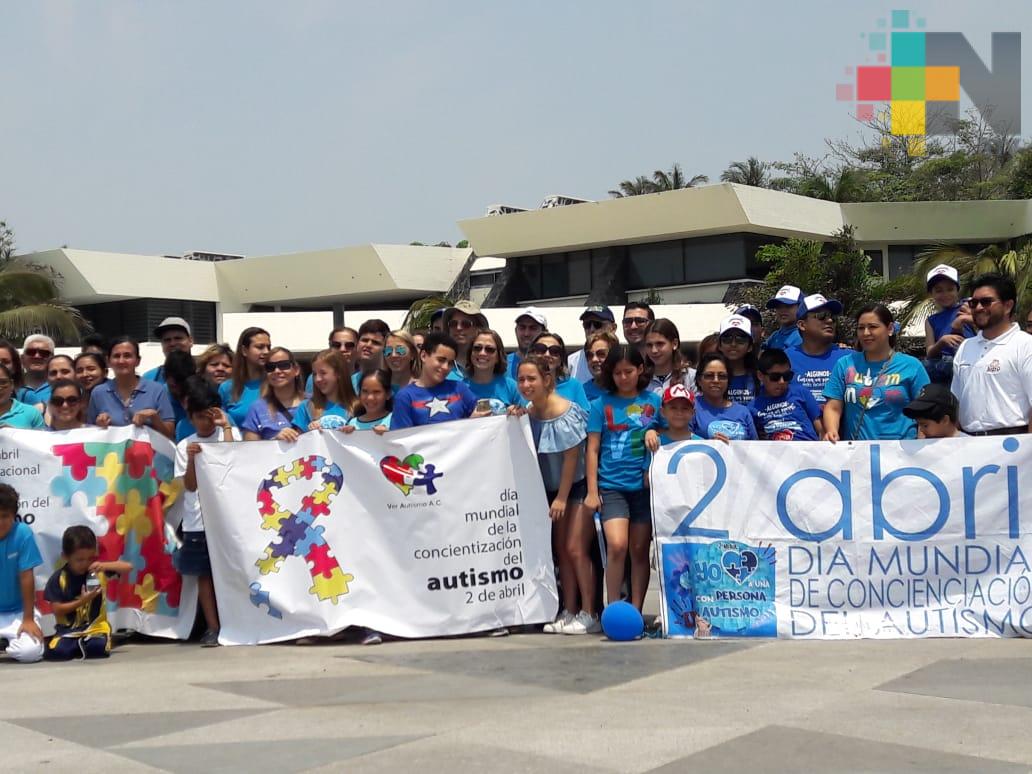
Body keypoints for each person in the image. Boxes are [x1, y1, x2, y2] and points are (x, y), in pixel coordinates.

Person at [517, 357, 596, 635]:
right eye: (522, 379)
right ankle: (569, 610)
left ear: (547, 380)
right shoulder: (528, 412)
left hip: (574, 487)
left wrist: (561, 498)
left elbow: (572, 459)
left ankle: (590, 611)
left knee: (575, 548)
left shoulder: (564, 411)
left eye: (532, 379)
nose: (526, 385)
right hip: (548, 489)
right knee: (560, 551)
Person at [584, 344, 661, 613]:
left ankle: (636, 611)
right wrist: (592, 491)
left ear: (640, 369)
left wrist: (656, 434)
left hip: (643, 488)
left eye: (628, 371)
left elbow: (672, 433)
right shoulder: (599, 405)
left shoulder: (654, 401)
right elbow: (592, 449)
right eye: (617, 373)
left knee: (639, 551)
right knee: (617, 546)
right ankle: (614, 607)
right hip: (611, 487)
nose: (623, 377)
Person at [176, 377, 240, 646]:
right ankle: (213, 626)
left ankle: (237, 623)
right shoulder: (184, 446)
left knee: (234, 571)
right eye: (199, 417)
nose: (205, 422)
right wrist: (192, 459)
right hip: (198, 520)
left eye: (209, 415)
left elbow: (234, 465)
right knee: (204, 575)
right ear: (190, 417)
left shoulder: (231, 435)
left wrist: (225, 427)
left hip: (229, 518)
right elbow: (189, 486)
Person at [823, 304, 930, 441]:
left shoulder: (912, 366)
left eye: (873, 327)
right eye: (861, 328)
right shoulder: (845, 364)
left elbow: (925, 412)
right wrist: (832, 431)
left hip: (902, 455)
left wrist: (921, 445)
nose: (866, 333)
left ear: (890, 329)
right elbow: (833, 407)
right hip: (857, 454)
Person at [951, 274, 1032, 435]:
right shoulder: (965, 346)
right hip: (969, 445)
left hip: (1014, 444)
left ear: (1008, 306)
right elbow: (956, 403)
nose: (979, 307)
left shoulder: (1026, 345)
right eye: (973, 303)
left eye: (986, 302)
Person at [43, 525, 131, 660]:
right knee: (57, 653)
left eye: (90, 558)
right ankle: (76, 644)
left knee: (97, 649)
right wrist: (82, 601)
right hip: (68, 632)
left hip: (95, 628)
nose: (85, 563)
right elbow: (58, 610)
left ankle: (83, 645)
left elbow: (128, 567)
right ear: (65, 557)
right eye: (79, 560)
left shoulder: (97, 571)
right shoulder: (58, 578)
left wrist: (105, 566)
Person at [391, 333, 484, 429]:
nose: (445, 367)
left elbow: (485, 411)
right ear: (423, 356)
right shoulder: (405, 397)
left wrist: (473, 422)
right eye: (441, 360)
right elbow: (401, 439)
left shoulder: (459, 388)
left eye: (450, 363)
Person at [87, 337, 176, 438]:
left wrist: (154, 417)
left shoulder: (157, 390)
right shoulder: (99, 393)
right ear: (108, 361)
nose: (121, 361)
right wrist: (99, 426)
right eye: (116, 356)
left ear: (138, 361)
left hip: (150, 453)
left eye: (127, 356)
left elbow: (170, 435)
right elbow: (90, 434)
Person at [0, 484, 44, 663]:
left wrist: (28, 619)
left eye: (5, 516)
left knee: (30, 653)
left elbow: (27, 577)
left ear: (14, 516)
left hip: (19, 612)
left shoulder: (23, 533)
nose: (1, 522)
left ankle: (7, 643)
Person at [787, 294, 850, 407]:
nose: (830, 320)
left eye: (832, 317)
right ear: (802, 325)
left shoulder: (850, 358)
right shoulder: (785, 358)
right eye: (821, 316)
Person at [749, 349, 822, 441]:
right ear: (760, 376)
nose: (782, 382)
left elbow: (821, 429)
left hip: (807, 450)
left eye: (787, 376)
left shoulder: (802, 392)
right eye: (775, 377)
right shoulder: (753, 407)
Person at [923, 264, 975, 384]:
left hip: (970, 361)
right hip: (945, 368)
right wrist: (942, 342)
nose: (945, 294)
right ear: (931, 294)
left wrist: (969, 317)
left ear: (958, 290)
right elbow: (929, 352)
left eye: (950, 289)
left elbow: (987, 327)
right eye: (939, 290)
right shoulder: (931, 320)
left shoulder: (968, 306)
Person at [242, 347, 305, 441]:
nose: (277, 371)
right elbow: (250, 450)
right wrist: (275, 440)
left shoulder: (313, 403)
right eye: (270, 367)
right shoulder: (256, 408)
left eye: (284, 365)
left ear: (296, 370)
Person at [691, 354, 758, 441]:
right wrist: (709, 445)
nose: (716, 380)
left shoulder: (743, 412)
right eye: (709, 375)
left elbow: (756, 447)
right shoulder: (691, 407)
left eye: (722, 376)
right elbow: (683, 440)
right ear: (699, 380)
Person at [293, 349, 359, 431]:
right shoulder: (306, 407)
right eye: (314, 374)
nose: (317, 379)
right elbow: (296, 441)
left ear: (338, 373)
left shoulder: (358, 407)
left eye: (323, 373)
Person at [220, 327, 271, 427]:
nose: (266, 352)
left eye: (269, 347)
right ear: (244, 350)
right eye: (260, 347)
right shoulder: (226, 388)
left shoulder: (274, 383)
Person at [463, 329, 522, 414]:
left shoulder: (512, 387)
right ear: (470, 353)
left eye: (489, 349)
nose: (482, 353)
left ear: (498, 356)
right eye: (477, 348)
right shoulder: (460, 389)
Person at [528, 333, 590, 411]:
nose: (547, 355)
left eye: (554, 351)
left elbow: (585, 418)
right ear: (532, 354)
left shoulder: (573, 385)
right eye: (540, 349)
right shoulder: (524, 385)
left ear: (561, 359)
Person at [644, 318, 695, 396]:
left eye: (660, 344)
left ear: (674, 344)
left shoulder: (691, 377)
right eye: (649, 345)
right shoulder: (640, 379)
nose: (654, 350)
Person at [567, 306, 617, 384]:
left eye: (597, 324)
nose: (592, 329)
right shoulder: (571, 361)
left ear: (613, 328)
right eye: (587, 325)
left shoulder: (624, 358)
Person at [717, 315, 758, 404]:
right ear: (719, 345)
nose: (733, 344)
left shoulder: (760, 377)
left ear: (750, 346)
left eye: (740, 339)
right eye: (727, 339)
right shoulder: (713, 377)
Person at [442, 301, 489, 379]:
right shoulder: (439, 367)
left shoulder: (489, 367)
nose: (458, 328)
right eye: (453, 324)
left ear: (479, 328)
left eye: (466, 324)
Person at [304, 327, 359, 394]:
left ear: (358, 347)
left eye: (349, 345)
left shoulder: (364, 378)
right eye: (336, 345)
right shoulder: (315, 379)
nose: (342, 349)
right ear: (330, 346)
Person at [143, 317, 194, 383]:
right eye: (167, 340)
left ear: (190, 341)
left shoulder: (205, 374)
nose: (172, 343)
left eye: (178, 338)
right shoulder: (149, 379)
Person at [0, 363, 47, 429]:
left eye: (3, 382)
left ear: (12, 385)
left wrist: (15, 434)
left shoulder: (31, 413)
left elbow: (42, 438)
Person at [506, 308, 548, 380]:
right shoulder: (502, 364)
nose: (526, 334)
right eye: (522, 327)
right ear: (516, 331)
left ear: (544, 333)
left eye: (533, 328)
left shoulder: (551, 364)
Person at [351, 319, 391, 390]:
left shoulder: (393, 382)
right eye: (364, 340)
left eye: (375, 342)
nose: (368, 345)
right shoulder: (348, 384)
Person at [17, 334, 55, 406]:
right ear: (22, 358)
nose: (37, 356)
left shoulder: (62, 387)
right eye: (31, 352)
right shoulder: (9, 387)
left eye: (44, 353)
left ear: (53, 359)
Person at [763, 285, 804, 350]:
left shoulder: (803, 337)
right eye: (778, 306)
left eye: (788, 305)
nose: (782, 310)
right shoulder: (775, 335)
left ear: (801, 307)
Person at [583, 331, 618, 403]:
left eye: (601, 354)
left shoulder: (628, 390)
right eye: (589, 355)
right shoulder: (580, 393)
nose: (594, 359)